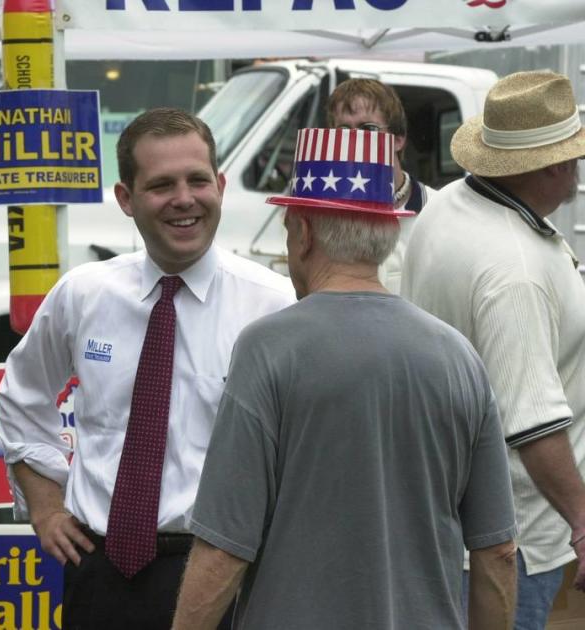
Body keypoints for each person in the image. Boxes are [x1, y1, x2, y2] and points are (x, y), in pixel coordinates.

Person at [172, 127, 518, 630]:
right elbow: (499, 551)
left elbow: (224, 547)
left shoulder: (267, 350)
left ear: (303, 232)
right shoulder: (458, 357)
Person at [0, 107, 295, 628]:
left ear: (220, 185)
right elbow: (21, 399)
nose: (184, 199)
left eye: (198, 180)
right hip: (99, 575)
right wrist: (44, 507)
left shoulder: (272, 305)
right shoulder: (84, 294)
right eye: (161, 185)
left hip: (225, 578)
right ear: (126, 199)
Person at [402, 70, 585, 629]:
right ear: (553, 164)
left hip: (448, 516)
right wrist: (582, 520)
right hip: (513, 535)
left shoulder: (452, 203)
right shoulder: (515, 272)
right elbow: (531, 423)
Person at [326, 78, 435, 292]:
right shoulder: (325, 213)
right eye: (344, 130)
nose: (355, 139)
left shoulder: (436, 209)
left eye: (368, 128)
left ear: (398, 139)